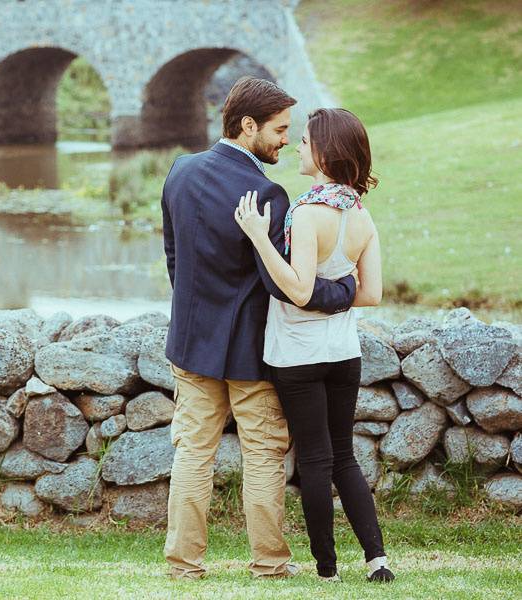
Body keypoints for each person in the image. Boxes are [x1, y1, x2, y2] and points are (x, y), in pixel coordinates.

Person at [161, 77, 358, 580]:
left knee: (192, 455)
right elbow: (284, 283)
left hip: (190, 343)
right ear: (247, 126)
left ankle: (184, 564)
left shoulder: (179, 171)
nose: (286, 141)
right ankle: (269, 563)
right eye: (278, 130)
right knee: (264, 455)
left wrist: (194, 312)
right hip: (251, 349)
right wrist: (348, 290)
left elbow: (174, 260)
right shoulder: (266, 192)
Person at [234, 107, 395, 583]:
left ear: (324, 151)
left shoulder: (305, 213)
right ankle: (377, 561)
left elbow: (299, 290)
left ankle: (327, 570)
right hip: (344, 354)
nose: (298, 147)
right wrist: (339, 290)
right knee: (343, 456)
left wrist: (260, 239)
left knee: (316, 460)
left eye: (305, 141)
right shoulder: (360, 215)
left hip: (298, 357)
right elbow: (370, 293)